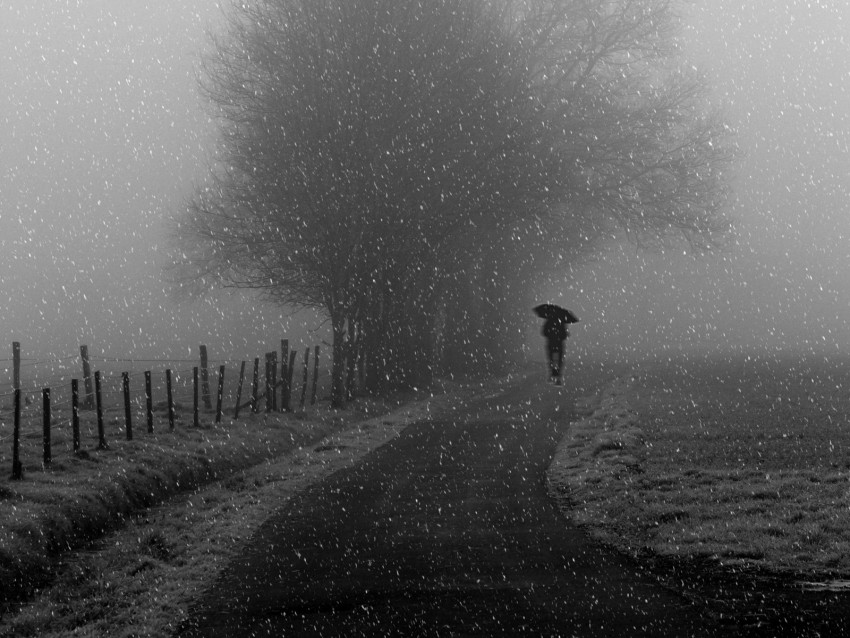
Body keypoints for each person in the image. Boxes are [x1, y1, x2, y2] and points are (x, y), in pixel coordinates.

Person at [542, 316, 569, 384]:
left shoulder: (548, 321)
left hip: (551, 343)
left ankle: (551, 374)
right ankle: (558, 378)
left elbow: (544, 332)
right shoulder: (562, 322)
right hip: (559, 344)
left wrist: (550, 334)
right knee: (559, 360)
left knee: (551, 358)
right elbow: (564, 335)